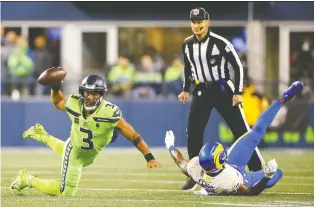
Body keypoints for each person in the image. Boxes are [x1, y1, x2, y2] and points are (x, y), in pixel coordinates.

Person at [10, 75, 163, 197]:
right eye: (87, 92)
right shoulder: (75, 103)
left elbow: (133, 135)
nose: (90, 97)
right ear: (82, 92)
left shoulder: (110, 112)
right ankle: (27, 179)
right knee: (67, 192)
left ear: (101, 95)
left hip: (90, 153)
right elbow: (58, 103)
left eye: (95, 93)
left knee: (110, 134)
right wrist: (55, 87)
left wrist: (149, 157)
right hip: (76, 152)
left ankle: (42, 136)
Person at [177, 7, 264, 190]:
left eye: (200, 22)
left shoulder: (220, 42)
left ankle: (257, 169)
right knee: (193, 131)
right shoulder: (187, 44)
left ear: (208, 22)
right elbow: (188, 68)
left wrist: (238, 91)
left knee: (240, 130)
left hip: (222, 88)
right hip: (201, 89)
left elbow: (237, 65)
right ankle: (195, 174)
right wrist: (186, 89)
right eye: (194, 22)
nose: (197, 25)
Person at [166, 81, 303, 195]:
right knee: (277, 173)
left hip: (230, 165)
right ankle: (208, 191)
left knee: (256, 131)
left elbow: (180, 161)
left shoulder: (196, 167)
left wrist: (170, 146)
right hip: (243, 178)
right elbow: (251, 192)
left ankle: (284, 97)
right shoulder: (228, 180)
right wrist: (267, 177)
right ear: (219, 163)